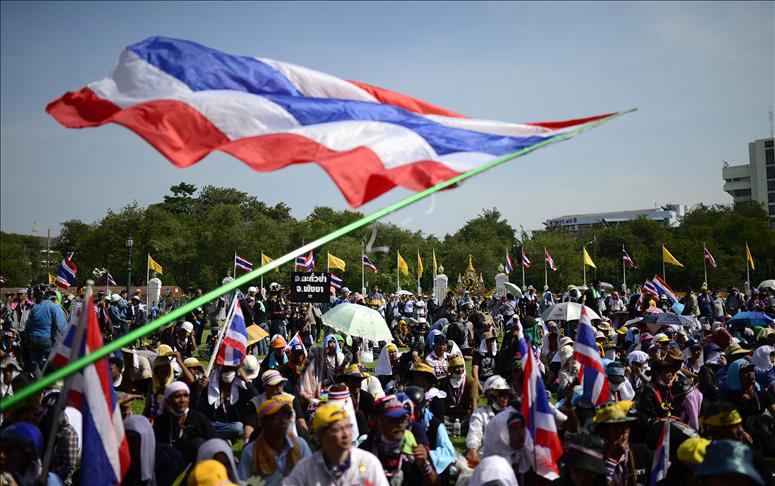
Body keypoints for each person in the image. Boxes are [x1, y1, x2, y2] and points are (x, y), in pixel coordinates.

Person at [283, 403, 389, 486]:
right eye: (338, 429)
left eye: (348, 427)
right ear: (320, 436)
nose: (346, 434)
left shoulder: (369, 462)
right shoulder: (305, 469)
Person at [360, 394, 437, 485]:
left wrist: (425, 466)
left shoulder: (415, 450)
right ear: (379, 422)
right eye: (393, 420)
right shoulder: (366, 452)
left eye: (402, 419)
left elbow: (435, 483)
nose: (400, 425)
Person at [239, 396, 311, 485]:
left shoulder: (300, 445)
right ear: (263, 422)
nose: (283, 421)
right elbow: (244, 483)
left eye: (287, 416)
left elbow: (311, 477)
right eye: (277, 417)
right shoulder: (250, 452)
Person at [153, 381, 216, 463]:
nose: (182, 400)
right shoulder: (161, 422)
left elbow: (215, 441)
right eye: (177, 396)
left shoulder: (198, 418)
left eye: (185, 395)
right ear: (168, 401)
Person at [466, 375, 512, 465]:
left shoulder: (511, 414)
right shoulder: (480, 414)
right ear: (492, 396)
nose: (505, 397)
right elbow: (474, 434)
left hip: (508, 459)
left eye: (507, 394)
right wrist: (473, 450)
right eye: (502, 394)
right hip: (485, 458)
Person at [23, 291, 67, 377]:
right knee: (53, 364)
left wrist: (27, 338)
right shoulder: (55, 307)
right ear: (54, 298)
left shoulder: (35, 308)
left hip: (34, 339)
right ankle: (51, 382)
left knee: (35, 364)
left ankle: (39, 383)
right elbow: (62, 326)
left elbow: (28, 325)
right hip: (48, 340)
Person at [436, 354, 478, 436]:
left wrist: (474, 420)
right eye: (456, 367)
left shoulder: (471, 382)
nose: (460, 370)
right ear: (450, 369)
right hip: (448, 416)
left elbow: (474, 402)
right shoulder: (442, 382)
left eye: (462, 367)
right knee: (436, 420)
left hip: (465, 416)